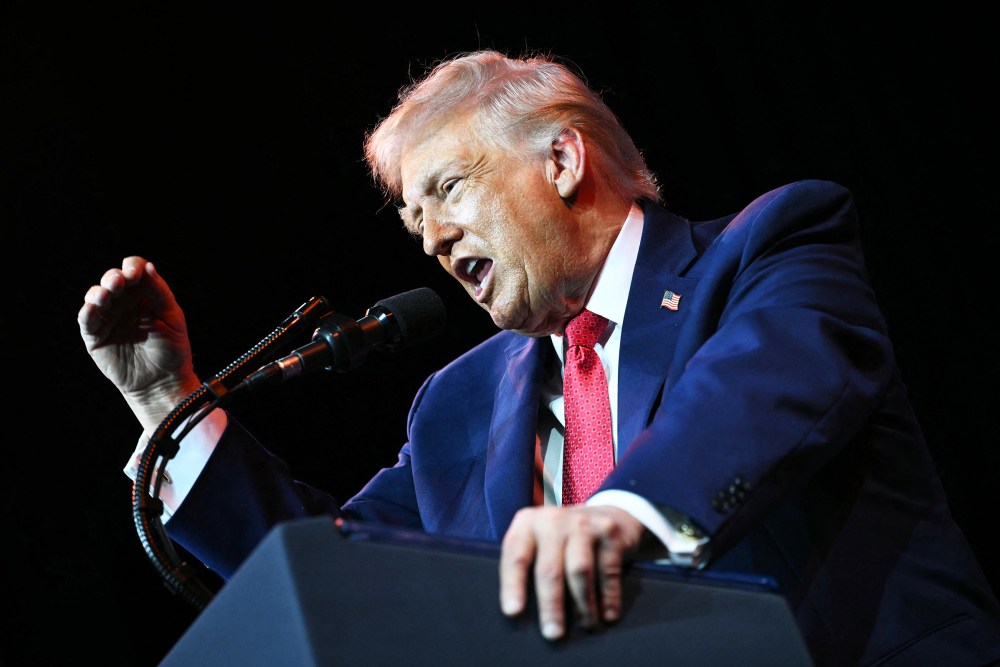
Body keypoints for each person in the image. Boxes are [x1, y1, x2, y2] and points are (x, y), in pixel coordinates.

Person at [78, 49, 1000, 665]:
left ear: (561, 161)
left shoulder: (768, 251)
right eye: (412, 220)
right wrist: (170, 403)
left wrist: (624, 513)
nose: (433, 239)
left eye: (447, 190)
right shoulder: (459, 403)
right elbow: (336, 567)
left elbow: (765, 390)